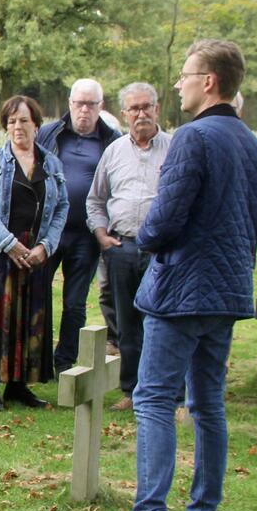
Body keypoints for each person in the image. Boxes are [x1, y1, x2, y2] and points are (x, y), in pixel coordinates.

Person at [124, 40, 257, 511]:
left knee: (154, 398)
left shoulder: (192, 138)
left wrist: (139, 238)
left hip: (182, 290)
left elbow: (164, 220)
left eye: (187, 75)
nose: (179, 85)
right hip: (228, 292)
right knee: (208, 404)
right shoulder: (256, 146)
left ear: (210, 81)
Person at [0, 95, 69, 411]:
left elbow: (62, 206)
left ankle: (18, 385)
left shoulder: (51, 163)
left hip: (35, 254)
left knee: (29, 320)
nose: (17, 127)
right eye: (11, 121)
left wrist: (45, 246)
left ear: (37, 124)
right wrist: (9, 243)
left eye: (24, 120)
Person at [86, 83, 172, 410]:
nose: (140, 114)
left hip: (161, 251)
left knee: (161, 320)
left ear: (157, 108)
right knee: (127, 322)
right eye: (133, 109)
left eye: (146, 107)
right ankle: (131, 390)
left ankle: (165, 391)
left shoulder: (175, 148)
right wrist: (101, 235)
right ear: (124, 114)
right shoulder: (114, 151)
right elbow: (96, 199)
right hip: (122, 246)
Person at [35, 79, 120, 372]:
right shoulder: (49, 133)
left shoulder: (112, 140)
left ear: (101, 106)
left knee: (74, 302)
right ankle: (39, 356)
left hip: (86, 234)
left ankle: (64, 361)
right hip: (49, 232)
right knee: (39, 294)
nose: (84, 110)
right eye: (78, 103)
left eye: (90, 104)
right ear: (69, 103)